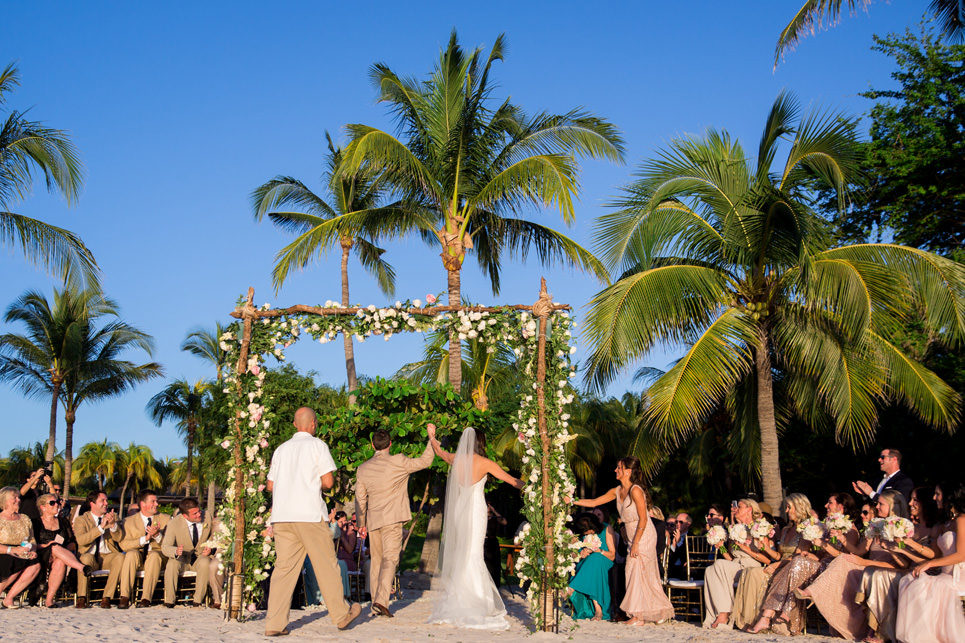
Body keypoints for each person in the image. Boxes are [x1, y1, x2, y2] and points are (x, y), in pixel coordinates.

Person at [264, 407, 361, 636]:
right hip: (308, 515)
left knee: (284, 570)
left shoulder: (281, 449)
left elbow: (270, 485)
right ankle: (340, 615)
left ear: (295, 425)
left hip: (282, 517)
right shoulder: (318, 445)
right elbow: (327, 482)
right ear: (314, 424)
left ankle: (274, 624)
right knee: (326, 565)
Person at [426, 424, 522, 630]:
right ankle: (477, 600)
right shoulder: (485, 463)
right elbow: (511, 481)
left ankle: (461, 598)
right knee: (474, 553)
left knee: (463, 552)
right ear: (481, 442)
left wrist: (431, 436)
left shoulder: (456, 459)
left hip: (460, 509)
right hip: (476, 510)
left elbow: (439, 452)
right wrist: (535, 486)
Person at [573, 457, 674, 626]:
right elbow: (594, 501)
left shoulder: (636, 490)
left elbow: (643, 518)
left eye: (619, 467)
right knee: (635, 572)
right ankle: (650, 612)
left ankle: (638, 616)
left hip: (643, 534)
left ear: (628, 471)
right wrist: (573, 500)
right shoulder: (616, 491)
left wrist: (636, 543)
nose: (615, 470)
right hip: (632, 534)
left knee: (636, 571)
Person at [798, 489, 910, 640]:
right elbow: (859, 550)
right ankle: (816, 596)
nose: (876, 507)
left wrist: (864, 561)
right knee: (844, 559)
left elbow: (902, 565)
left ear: (893, 506)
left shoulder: (902, 527)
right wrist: (843, 540)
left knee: (853, 564)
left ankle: (812, 592)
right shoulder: (877, 525)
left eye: (880, 504)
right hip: (870, 566)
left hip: (889, 570)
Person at [355, 427, 435, 617]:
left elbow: (360, 498)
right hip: (392, 519)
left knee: (376, 562)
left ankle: (376, 601)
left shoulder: (363, 468)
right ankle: (381, 601)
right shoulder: (398, 461)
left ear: (372, 445)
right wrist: (431, 438)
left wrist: (361, 523)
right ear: (390, 444)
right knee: (390, 559)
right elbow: (426, 461)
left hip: (373, 520)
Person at [895, 482, 965, 643]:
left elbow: (961, 555)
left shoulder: (962, 520)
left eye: (938, 494)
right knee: (909, 581)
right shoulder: (944, 524)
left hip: (958, 577)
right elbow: (934, 554)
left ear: (950, 496)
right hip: (944, 575)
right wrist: (905, 546)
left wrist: (930, 564)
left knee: (922, 587)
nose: (934, 498)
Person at [702, 498, 764, 628]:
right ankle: (718, 613)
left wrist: (746, 549)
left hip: (751, 565)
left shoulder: (759, 527)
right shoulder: (734, 529)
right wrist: (721, 547)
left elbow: (766, 558)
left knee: (719, 564)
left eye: (739, 506)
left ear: (749, 509)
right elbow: (730, 558)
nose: (734, 509)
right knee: (710, 570)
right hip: (735, 565)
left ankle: (725, 613)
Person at [34, 492, 90, 607]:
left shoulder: (63, 521)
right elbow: (32, 544)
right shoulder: (35, 523)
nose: (57, 505)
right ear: (43, 507)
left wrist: (63, 549)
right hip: (41, 555)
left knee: (60, 562)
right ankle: (81, 567)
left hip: (61, 557)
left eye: (58, 502)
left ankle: (49, 600)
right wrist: (48, 546)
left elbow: (72, 542)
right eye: (52, 503)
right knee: (54, 546)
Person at [119, 489, 170, 608]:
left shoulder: (166, 519)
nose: (157, 504)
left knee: (154, 556)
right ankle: (124, 597)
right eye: (153, 501)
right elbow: (124, 545)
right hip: (138, 557)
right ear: (143, 504)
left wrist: (157, 536)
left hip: (157, 558)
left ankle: (146, 598)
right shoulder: (128, 521)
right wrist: (145, 539)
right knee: (131, 554)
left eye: (156, 501)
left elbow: (170, 544)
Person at [73, 490, 124, 608]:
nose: (106, 503)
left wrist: (113, 526)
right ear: (92, 503)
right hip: (90, 556)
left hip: (107, 556)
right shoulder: (81, 519)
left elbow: (119, 538)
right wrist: (101, 528)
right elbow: (81, 540)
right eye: (103, 500)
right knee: (84, 558)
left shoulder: (113, 516)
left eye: (106, 500)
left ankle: (107, 597)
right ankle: (82, 597)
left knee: (120, 557)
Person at [160, 497, 212, 608]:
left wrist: (211, 548)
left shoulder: (207, 516)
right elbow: (165, 547)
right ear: (185, 516)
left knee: (205, 562)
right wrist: (175, 551)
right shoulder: (174, 523)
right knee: (172, 564)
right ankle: (169, 600)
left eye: (199, 511)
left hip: (200, 557)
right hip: (182, 558)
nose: (199, 514)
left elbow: (213, 537)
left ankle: (197, 601)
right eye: (195, 513)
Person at [565, 512, 615, 620]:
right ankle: (598, 610)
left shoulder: (607, 528)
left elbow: (612, 555)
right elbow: (574, 555)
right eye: (585, 531)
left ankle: (572, 587)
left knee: (595, 558)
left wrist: (599, 551)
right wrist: (580, 554)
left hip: (604, 559)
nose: (587, 533)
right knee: (593, 562)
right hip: (586, 564)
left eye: (588, 530)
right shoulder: (580, 534)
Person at [0, 486, 40, 608]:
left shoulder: (25, 518)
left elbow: (32, 539)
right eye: (14, 498)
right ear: (5, 501)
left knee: (35, 565)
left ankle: (9, 598)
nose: (18, 500)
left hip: (23, 551)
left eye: (18, 497)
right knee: (16, 561)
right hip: (4, 552)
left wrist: (32, 549)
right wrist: (12, 550)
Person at [666, 512, 692, 580]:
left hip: (685, 570)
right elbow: (669, 559)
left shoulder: (692, 538)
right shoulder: (671, 537)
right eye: (676, 522)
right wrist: (673, 545)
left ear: (688, 524)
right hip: (672, 569)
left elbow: (685, 557)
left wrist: (679, 542)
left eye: (681, 522)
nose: (678, 524)